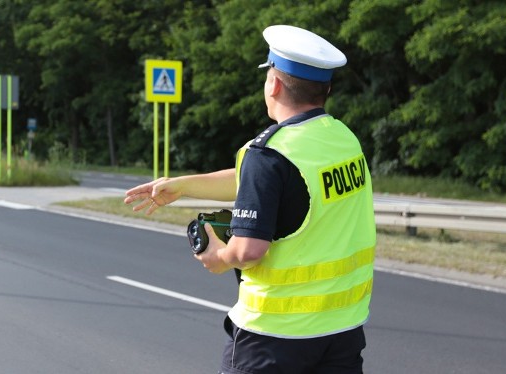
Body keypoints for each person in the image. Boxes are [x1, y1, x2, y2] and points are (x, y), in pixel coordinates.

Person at [124, 24, 376, 374]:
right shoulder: (342, 138)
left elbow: (249, 250)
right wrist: (182, 186)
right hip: (341, 328)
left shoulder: (269, 153)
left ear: (273, 84)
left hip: (274, 335)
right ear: (326, 88)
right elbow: (270, 182)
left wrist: (220, 257)